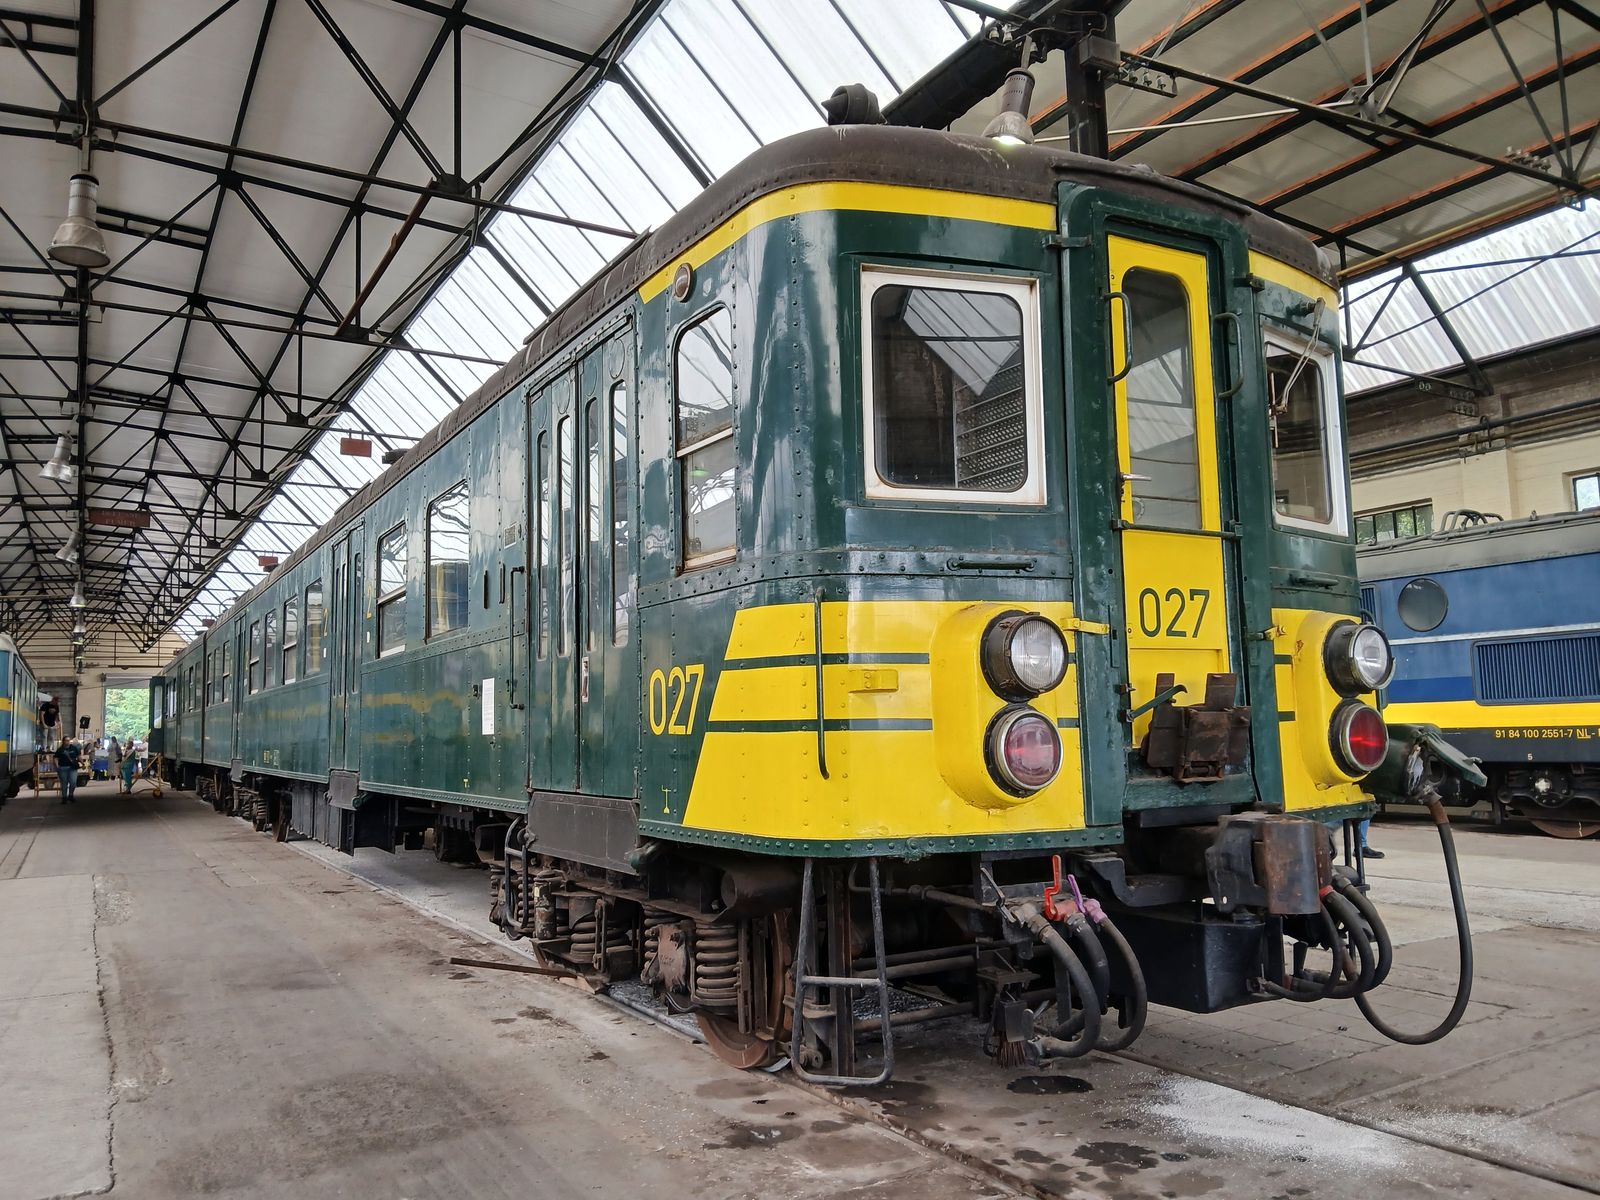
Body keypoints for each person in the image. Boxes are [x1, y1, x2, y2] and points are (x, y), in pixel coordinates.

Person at [55, 737, 81, 805]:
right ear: (63, 741)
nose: (68, 742)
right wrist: (57, 766)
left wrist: (82, 763)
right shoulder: (60, 750)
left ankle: (71, 795)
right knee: (64, 783)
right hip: (63, 768)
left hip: (72, 768)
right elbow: (56, 758)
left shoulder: (74, 748)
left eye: (69, 740)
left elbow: (78, 756)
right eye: (66, 740)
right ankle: (64, 798)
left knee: (73, 782)